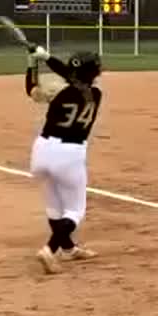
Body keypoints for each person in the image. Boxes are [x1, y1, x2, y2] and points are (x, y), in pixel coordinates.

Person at [26, 46, 104, 272]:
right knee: (75, 211)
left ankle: (68, 249)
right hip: (70, 154)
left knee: (54, 206)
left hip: (41, 150)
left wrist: (34, 63)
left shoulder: (56, 90)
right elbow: (73, 77)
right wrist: (47, 57)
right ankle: (50, 249)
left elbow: (31, 88)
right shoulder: (94, 95)